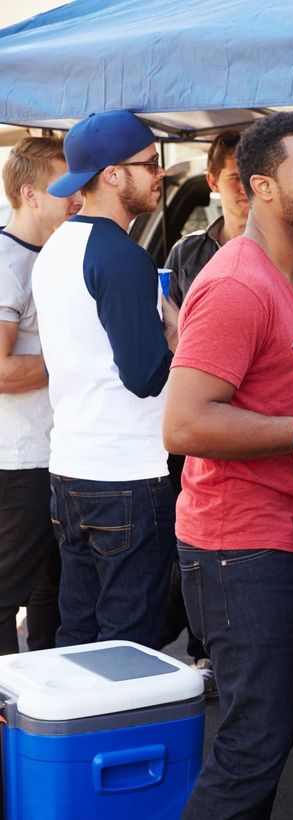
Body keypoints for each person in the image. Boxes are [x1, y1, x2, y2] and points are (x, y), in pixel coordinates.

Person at [161, 112, 293, 818]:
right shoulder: (236, 283)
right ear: (260, 187)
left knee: (269, 746)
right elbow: (184, 422)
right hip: (242, 550)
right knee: (250, 754)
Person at [32, 110, 179, 649]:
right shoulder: (122, 257)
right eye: (150, 164)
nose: (159, 174)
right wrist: (179, 337)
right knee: (126, 647)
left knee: (80, 635)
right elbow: (145, 377)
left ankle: (78, 737)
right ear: (113, 175)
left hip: (71, 469)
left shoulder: (55, 249)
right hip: (127, 474)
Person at [0, 137, 81, 655]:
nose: (77, 195)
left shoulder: (50, 254)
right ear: (30, 193)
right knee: (7, 597)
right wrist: (78, 360)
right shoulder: (7, 262)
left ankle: (49, 719)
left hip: (53, 457)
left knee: (53, 593)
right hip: (20, 462)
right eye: (64, 184)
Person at [164, 128, 293, 306]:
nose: (246, 187)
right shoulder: (186, 252)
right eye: (236, 178)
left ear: (267, 183)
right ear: (212, 182)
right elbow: (164, 319)